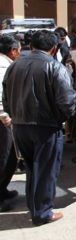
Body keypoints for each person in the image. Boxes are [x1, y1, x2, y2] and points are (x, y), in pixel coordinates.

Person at [2, 30, 76, 225]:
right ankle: (42, 213)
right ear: (53, 49)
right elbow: (67, 102)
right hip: (46, 127)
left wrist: (14, 115)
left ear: (31, 46)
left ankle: (35, 207)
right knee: (46, 170)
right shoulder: (55, 67)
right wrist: (60, 119)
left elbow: (6, 98)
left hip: (20, 126)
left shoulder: (14, 66)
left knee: (32, 168)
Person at [0, 34, 21, 212]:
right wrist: (4, 114)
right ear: (12, 51)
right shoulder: (2, 66)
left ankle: (3, 190)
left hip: (6, 118)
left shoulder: (6, 63)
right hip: (3, 121)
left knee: (10, 156)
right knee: (4, 156)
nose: (20, 53)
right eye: (19, 50)